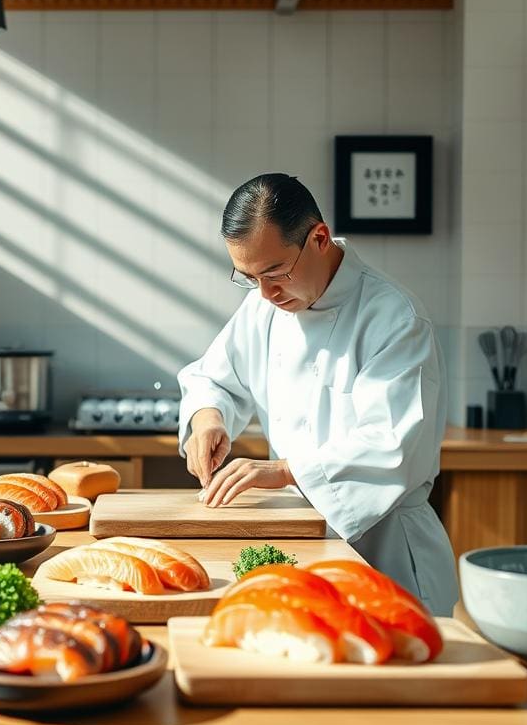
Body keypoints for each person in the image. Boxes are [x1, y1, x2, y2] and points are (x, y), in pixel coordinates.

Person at [177, 173, 458, 616]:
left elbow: (392, 445)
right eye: (249, 277)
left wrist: (286, 471)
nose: (266, 293)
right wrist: (208, 419)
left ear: (320, 239)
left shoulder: (394, 317)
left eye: (275, 272)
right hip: (299, 541)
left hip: (387, 555)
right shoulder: (265, 304)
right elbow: (213, 377)